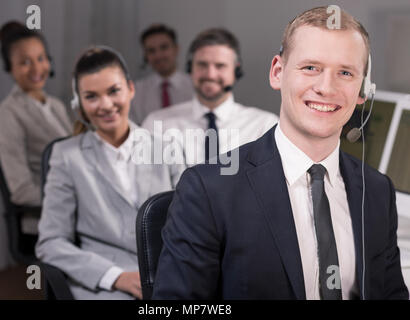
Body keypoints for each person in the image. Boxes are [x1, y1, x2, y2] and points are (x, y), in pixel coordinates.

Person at [152, 7, 409, 299]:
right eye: (310, 67)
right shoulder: (209, 189)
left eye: (345, 73)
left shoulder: (376, 191)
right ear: (278, 72)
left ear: (363, 90)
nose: (326, 87)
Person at [35, 46, 185, 300]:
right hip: (105, 283)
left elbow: (189, 220)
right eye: (91, 96)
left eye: (114, 91)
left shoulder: (167, 147)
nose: (105, 105)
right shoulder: (66, 156)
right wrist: (115, 277)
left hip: (168, 271)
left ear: (130, 89)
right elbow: (51, 242)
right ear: (79, 103)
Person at [142, 28, 278, 166]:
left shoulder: (264, 127)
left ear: (236, 71)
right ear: (190, 68)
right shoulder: (157, 125)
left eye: (220, 66)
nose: (210, 75)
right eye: (202, 65)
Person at [0, 21, 72, 210]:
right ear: (10, 68)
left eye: (41, 58)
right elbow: (22, 191)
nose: (37, 69)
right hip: (47, 216)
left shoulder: (56, 105)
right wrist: (73, 198)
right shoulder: (8, 113)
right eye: (25, 62)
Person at [129, 23, 193, 125]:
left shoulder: (194, 86)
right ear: (146, 55)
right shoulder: (136, 91)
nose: (158, 55)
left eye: (164, 48)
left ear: (176, 49)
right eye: (151, 51)